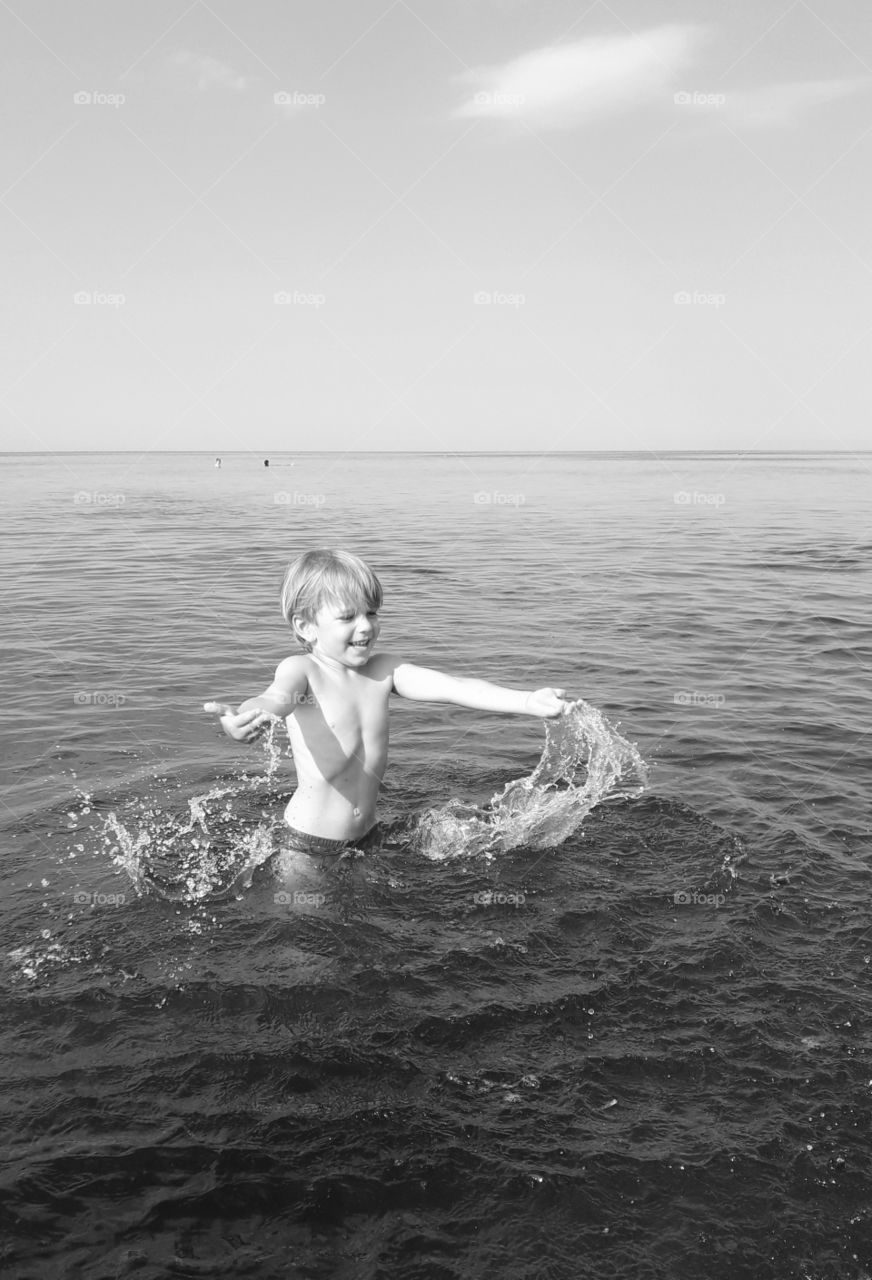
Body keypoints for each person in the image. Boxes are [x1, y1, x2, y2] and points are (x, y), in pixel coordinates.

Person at [205, 549, 569, 855]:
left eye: (372, 613)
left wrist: (527, 700)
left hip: (369, 837)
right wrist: (249, 715)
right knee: (306, 927)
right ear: (305, 627)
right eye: (348, 617)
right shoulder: (304, 671)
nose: (366, 627)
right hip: (308, 843)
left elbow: (453, 686)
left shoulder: (384, 670)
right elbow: (276, 696)